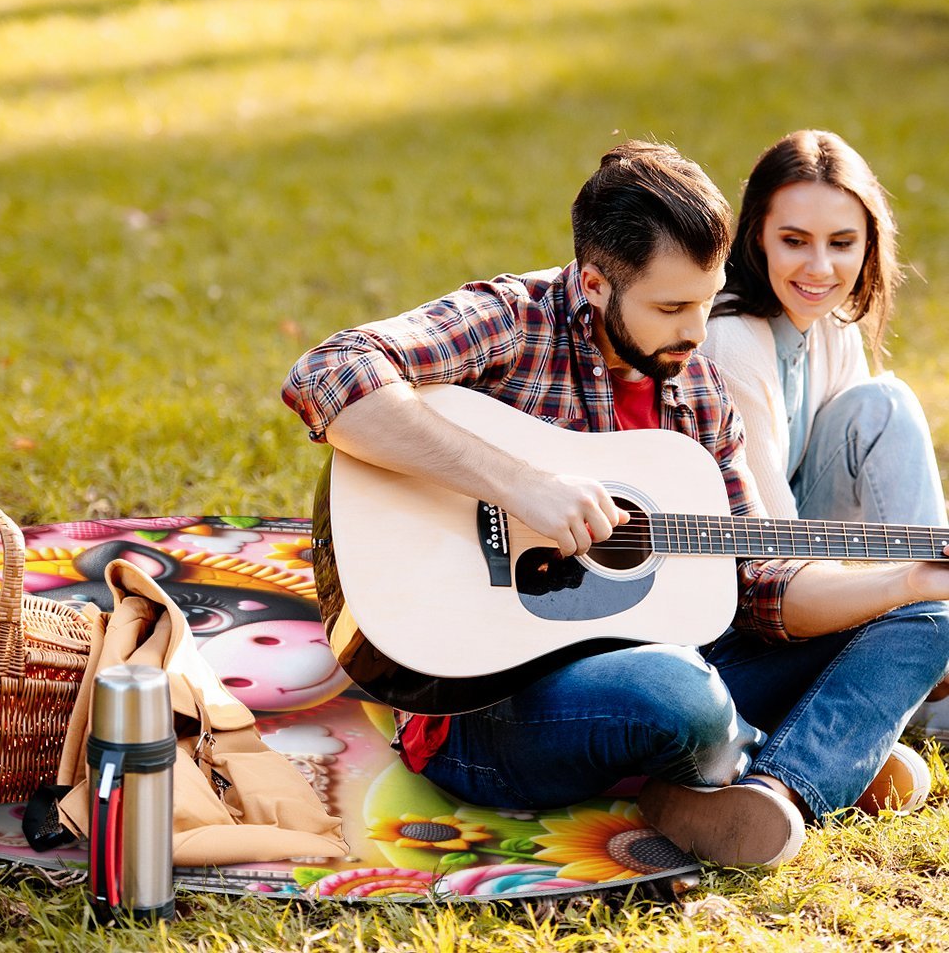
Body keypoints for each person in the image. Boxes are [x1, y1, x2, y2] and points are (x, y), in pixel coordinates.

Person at [282, 141, 949, 869]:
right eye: (670, 307)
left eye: (706, 299)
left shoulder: (696, 388)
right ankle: (806, 750)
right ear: (595, 284)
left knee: (929, 617)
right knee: (678, 695)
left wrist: (905, 581)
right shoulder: (513, 320)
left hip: (676, 663)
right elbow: (329, 372)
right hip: (486, 708)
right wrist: (517, 483)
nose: (697, 333)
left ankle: (778, 789)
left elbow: (759, 582)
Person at [702, 129, 949, 743]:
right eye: (794, 241)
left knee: (880, 404)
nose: (820, 268)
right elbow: (772, 555)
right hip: (745, 599)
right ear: (756, 234)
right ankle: (924, 670)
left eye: (842, 243)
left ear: (869, 245)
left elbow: (870, 492)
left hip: (809, 562)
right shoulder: (732, 338)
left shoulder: (831, 323)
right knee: (886, 404)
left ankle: (928, 646)